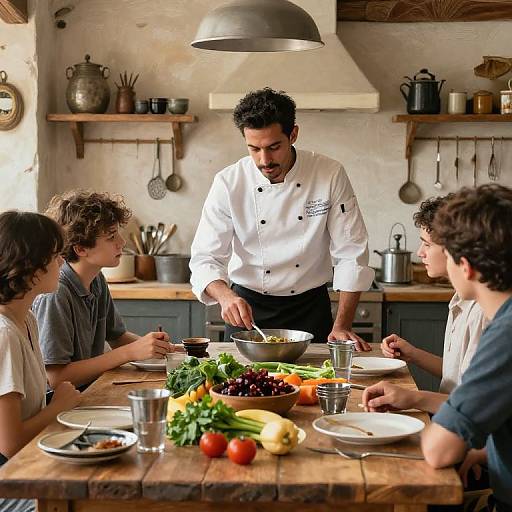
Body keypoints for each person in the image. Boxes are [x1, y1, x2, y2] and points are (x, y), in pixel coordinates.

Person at [190, 88, 374, 349]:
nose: (264, 160)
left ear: (293, 134)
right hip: (247, 312)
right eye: (254, 149)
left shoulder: (329, 174)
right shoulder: (229, 182)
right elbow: (205, 258)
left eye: (273, 147)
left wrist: (342, 325)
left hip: (310, 309)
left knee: (313, 385)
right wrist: (225, 296)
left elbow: (352, 252)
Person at [421, 184, 512, 512]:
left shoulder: (505, 334)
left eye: (446, 254)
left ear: (467, 266)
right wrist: (482, 451)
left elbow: (437, 450)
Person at [32, 191, 181, 390]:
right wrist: (130, 352)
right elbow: (56, 378)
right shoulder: (56, 294)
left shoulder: (96, 280)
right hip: (58, 404)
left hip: (89, 390)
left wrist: (164, 350)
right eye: (111, 236)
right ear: (81, 249)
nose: (122, 241)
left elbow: (118, 336)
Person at [363, 195, 486, 415]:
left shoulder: (481, 312)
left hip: (462, 435)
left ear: (455, 251)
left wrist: (413, 398)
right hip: (448, 421)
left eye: (427, 244)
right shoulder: (460, 298)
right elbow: (456, 375)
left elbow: (474, 406)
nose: (420, 253)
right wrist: (413, 354)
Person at [0, 211, 81, 512]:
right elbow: (9, 445)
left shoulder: (28, 320)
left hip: (24, 465)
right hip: (8, 480)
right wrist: (60, 405)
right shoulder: (4, 334)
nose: (62, 263)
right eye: (55, 256)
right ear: (30, 268)